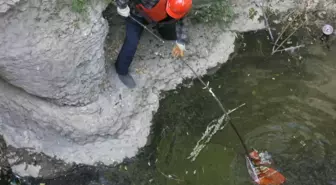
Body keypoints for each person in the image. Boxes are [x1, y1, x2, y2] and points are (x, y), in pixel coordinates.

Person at [115, 0, 192, 88]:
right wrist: (122, 6)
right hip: (137, 13)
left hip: (158, 16)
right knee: (132, 42)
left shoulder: (184, 3)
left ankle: (160, 26)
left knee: (171, 35)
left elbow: (182, 19)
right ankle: (121, 71)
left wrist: (181, 42)